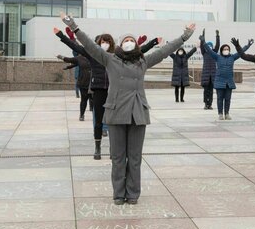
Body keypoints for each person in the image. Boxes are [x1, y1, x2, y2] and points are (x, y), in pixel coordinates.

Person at [62, 13, 195, 204]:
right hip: (116, 112)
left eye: (132, 40)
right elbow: (90, 46)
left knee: (134, 158)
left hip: (137, 113)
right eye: (126, 40)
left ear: (136, 44)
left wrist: (184, 37)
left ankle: (133, 194)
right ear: (120, 44)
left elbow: (165, 50)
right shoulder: (109, 59)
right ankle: (118, 194)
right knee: (117, 157)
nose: (129, 43)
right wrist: (73, 25)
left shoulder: (143, 61)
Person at [54, 28, 113, 159]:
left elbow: (135, 53)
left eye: (108, 41)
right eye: (103, 41)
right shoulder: (92, 54)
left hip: (113, 91)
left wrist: (150, 43)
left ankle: (112, 148)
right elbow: (75, 47)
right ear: (98, 43)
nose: (105, 44)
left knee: (113, 121)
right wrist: (62, 36)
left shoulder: (115, 56)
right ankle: (97, 148)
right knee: (98, 120)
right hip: (98, 90)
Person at [200, 33, 252, 120]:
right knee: (220, 98)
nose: (226, 50)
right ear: (221, 50)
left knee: (228, 99)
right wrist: (203, 42)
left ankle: (227, 113)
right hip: (219, 81)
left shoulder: (232, 57)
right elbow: (209, 50)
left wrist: (248, 45)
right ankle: (220, 113)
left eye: (227, 49)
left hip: (229, 82)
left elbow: (240, 52)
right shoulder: (217, 57)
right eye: (224, 49)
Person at [58, 53, 91, 120]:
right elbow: (70, 60)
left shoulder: (95, 56)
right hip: (83, 82)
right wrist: (61, 57)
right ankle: (82, 114)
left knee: (94, 100)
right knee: (84, 100)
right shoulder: (80, 58)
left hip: (94, 82)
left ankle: (92, 109)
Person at [199, 30, 218, 110]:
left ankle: (210, 104)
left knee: (211, 91)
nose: (209, 47)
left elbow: (218, 46)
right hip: (206, 76)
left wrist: (217, 36)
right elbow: (202, 46)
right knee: (205, 91)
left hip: (212, 76)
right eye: (208, 46)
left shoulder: (214, 53)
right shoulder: (204, 53)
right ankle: (206, 104)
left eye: (210, 46)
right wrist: (203, 36)